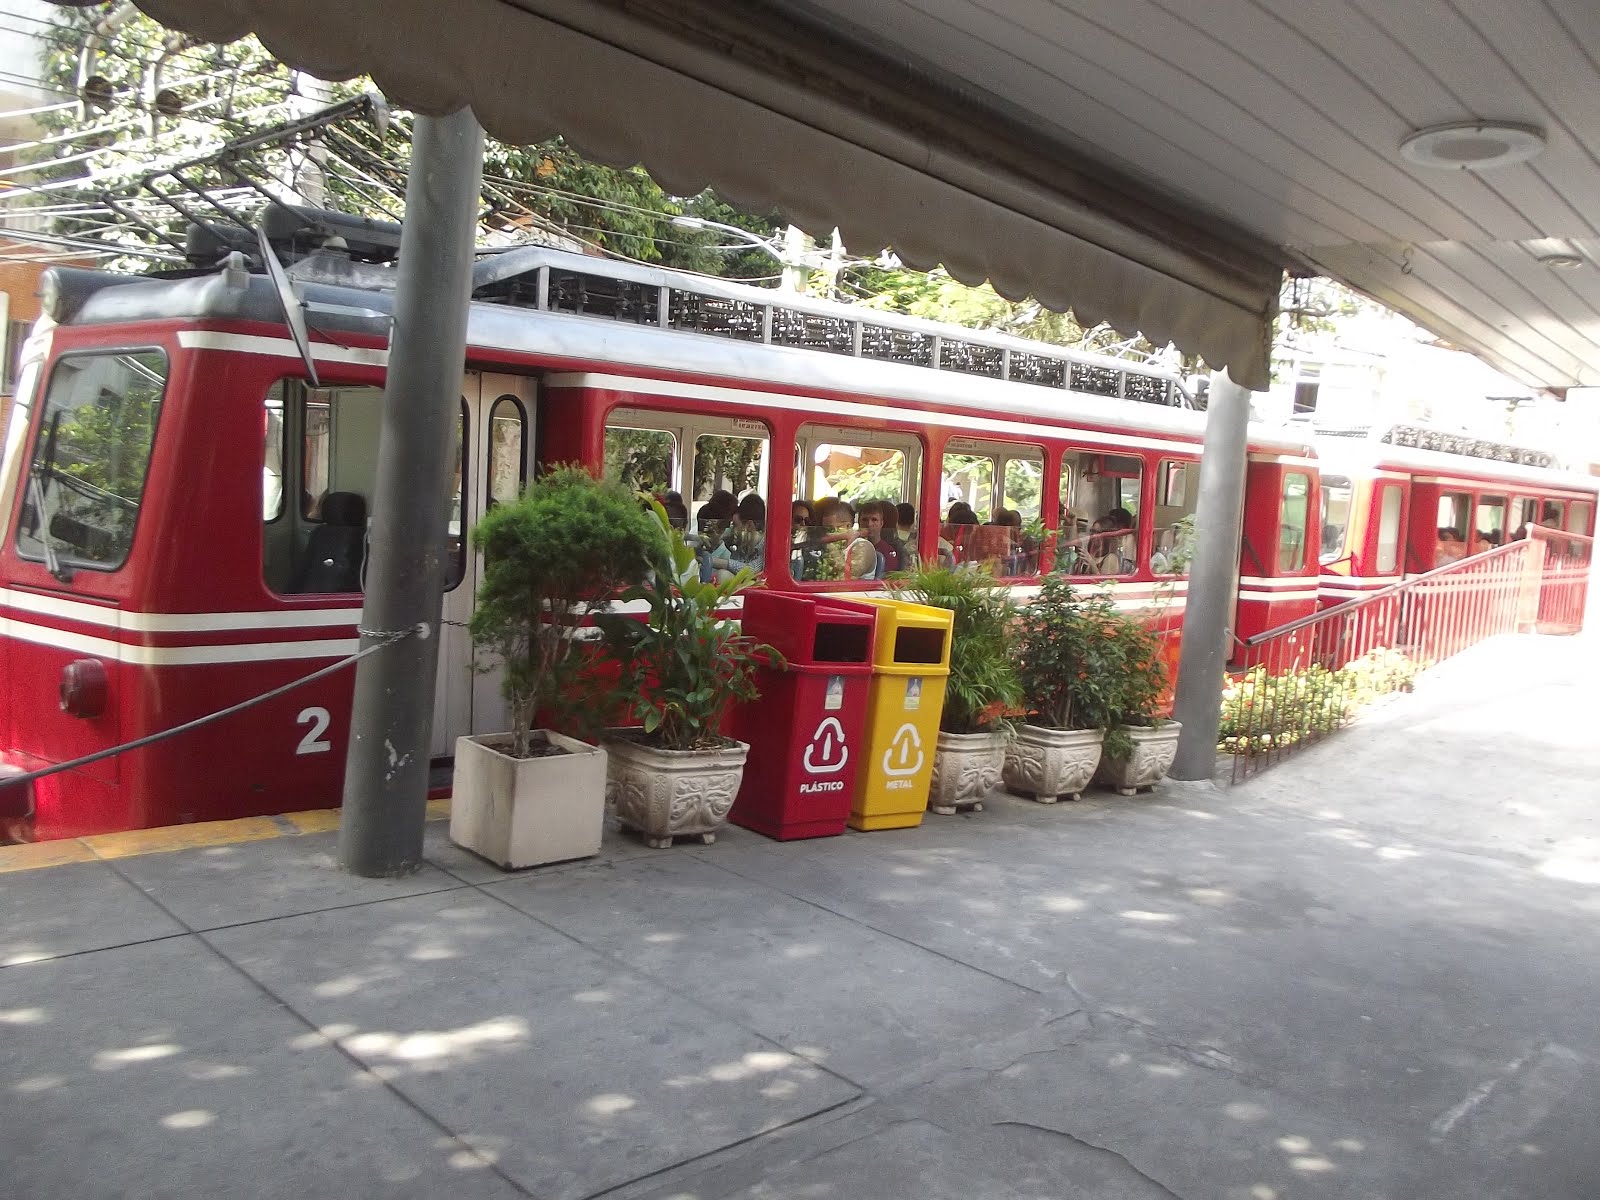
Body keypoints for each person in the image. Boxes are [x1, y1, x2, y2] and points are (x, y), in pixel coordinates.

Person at [708, 493, 766, 582]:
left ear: (749, 525)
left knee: (723, 575)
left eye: (735, 525)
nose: (733, 529)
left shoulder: (766, 546)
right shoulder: (742, 543)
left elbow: (751, 569)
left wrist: (716, 562)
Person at [859, 500, 899, 574]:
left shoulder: (888, 551)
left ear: (881, 523)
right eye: (865, 520)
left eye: (874, 520)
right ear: (859, 523)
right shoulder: (852, 547)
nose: (869, 524)